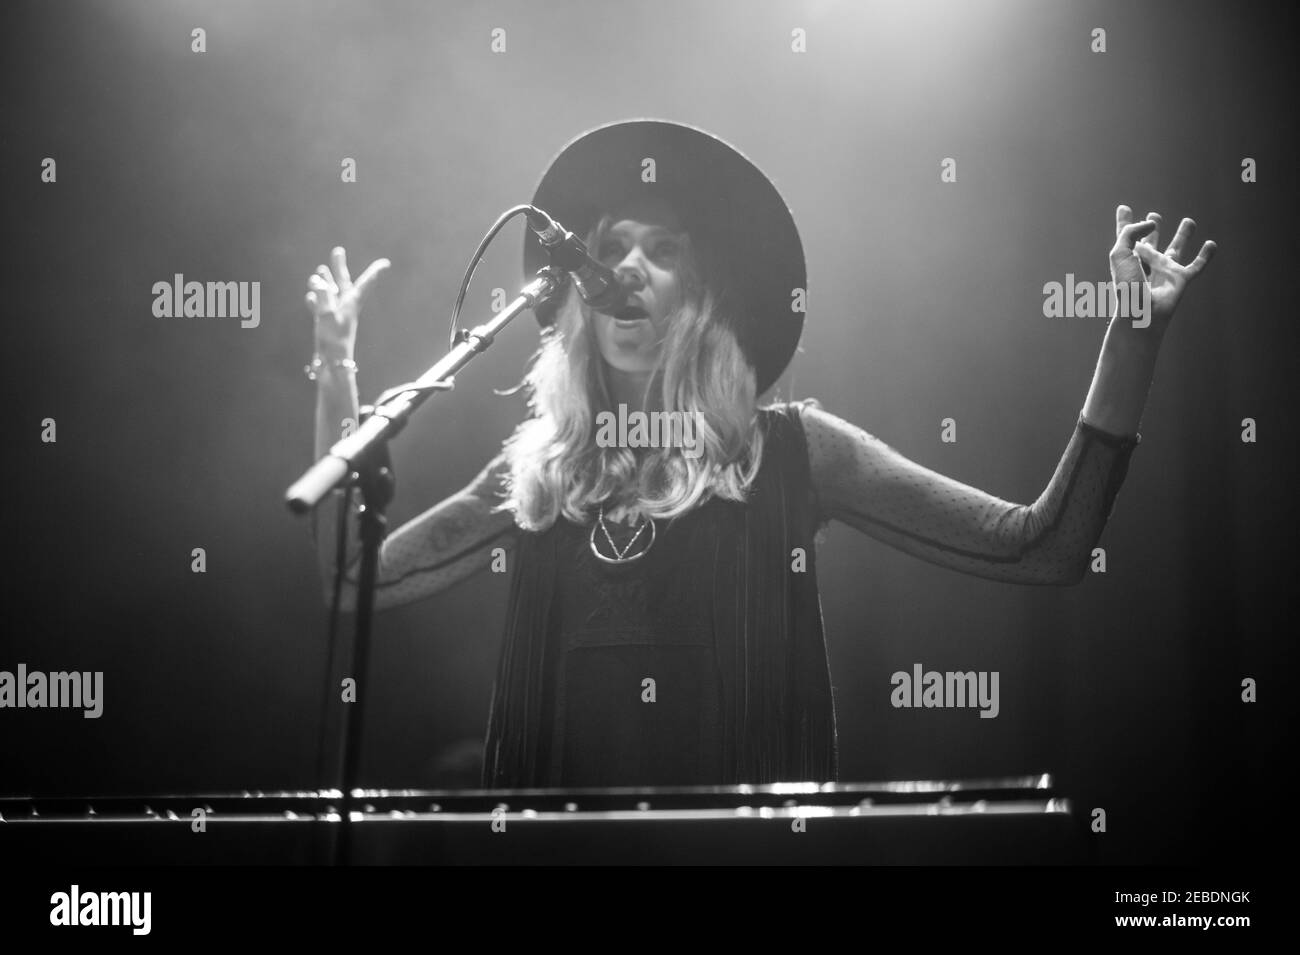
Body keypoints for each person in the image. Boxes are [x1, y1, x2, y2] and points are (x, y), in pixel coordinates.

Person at [303, 120, 1216, 789]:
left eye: (663, 250)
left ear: (702, 294)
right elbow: (348, 580)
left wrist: (1130, 336)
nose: (627, 266)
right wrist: (337, 367)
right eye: (611, 246)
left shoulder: (792, 453)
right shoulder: (537, 475)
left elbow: (1044, 544)